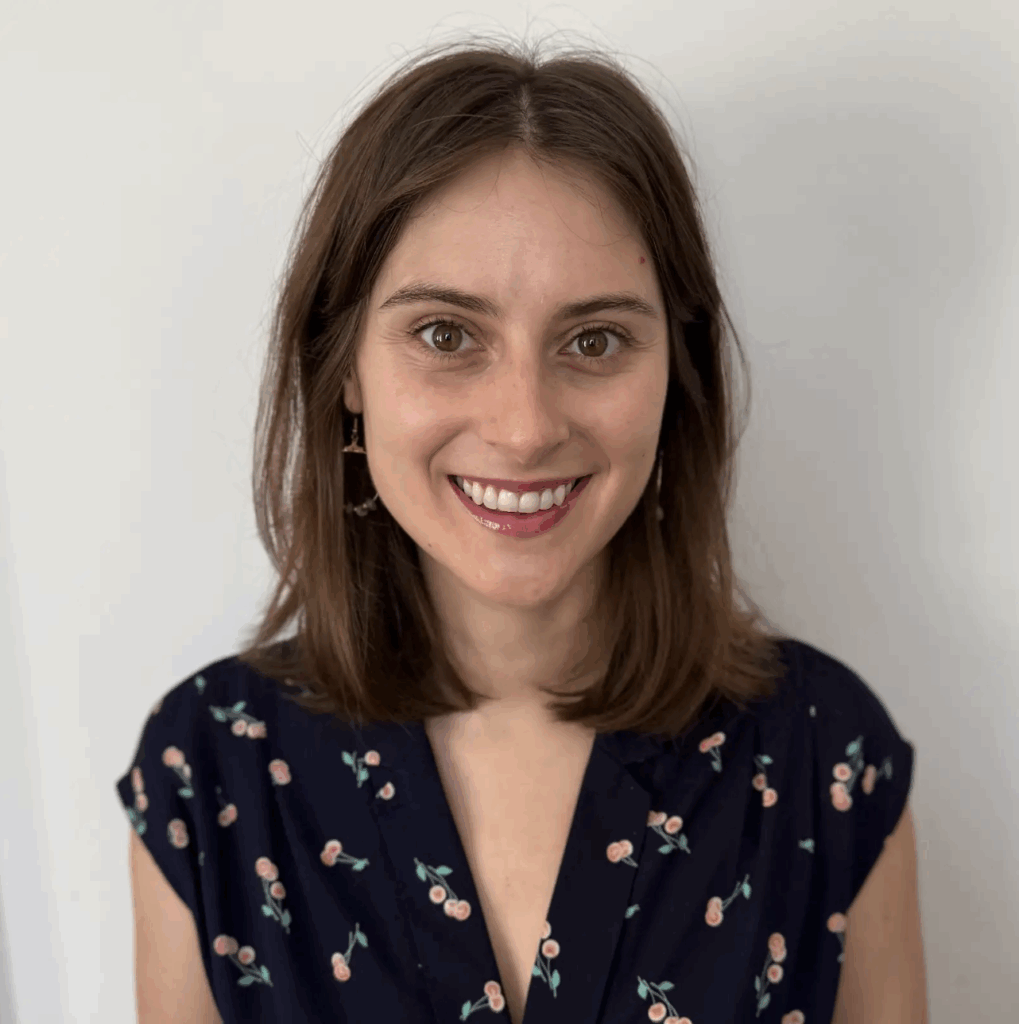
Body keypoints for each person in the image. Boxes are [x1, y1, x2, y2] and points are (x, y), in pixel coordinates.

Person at [117, 35, 927, 1024]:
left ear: (674, 377)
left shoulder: (824, 760)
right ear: (343, 373)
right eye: (445, 334)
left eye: (593, 340)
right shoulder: (207, 776)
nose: (524, 424)